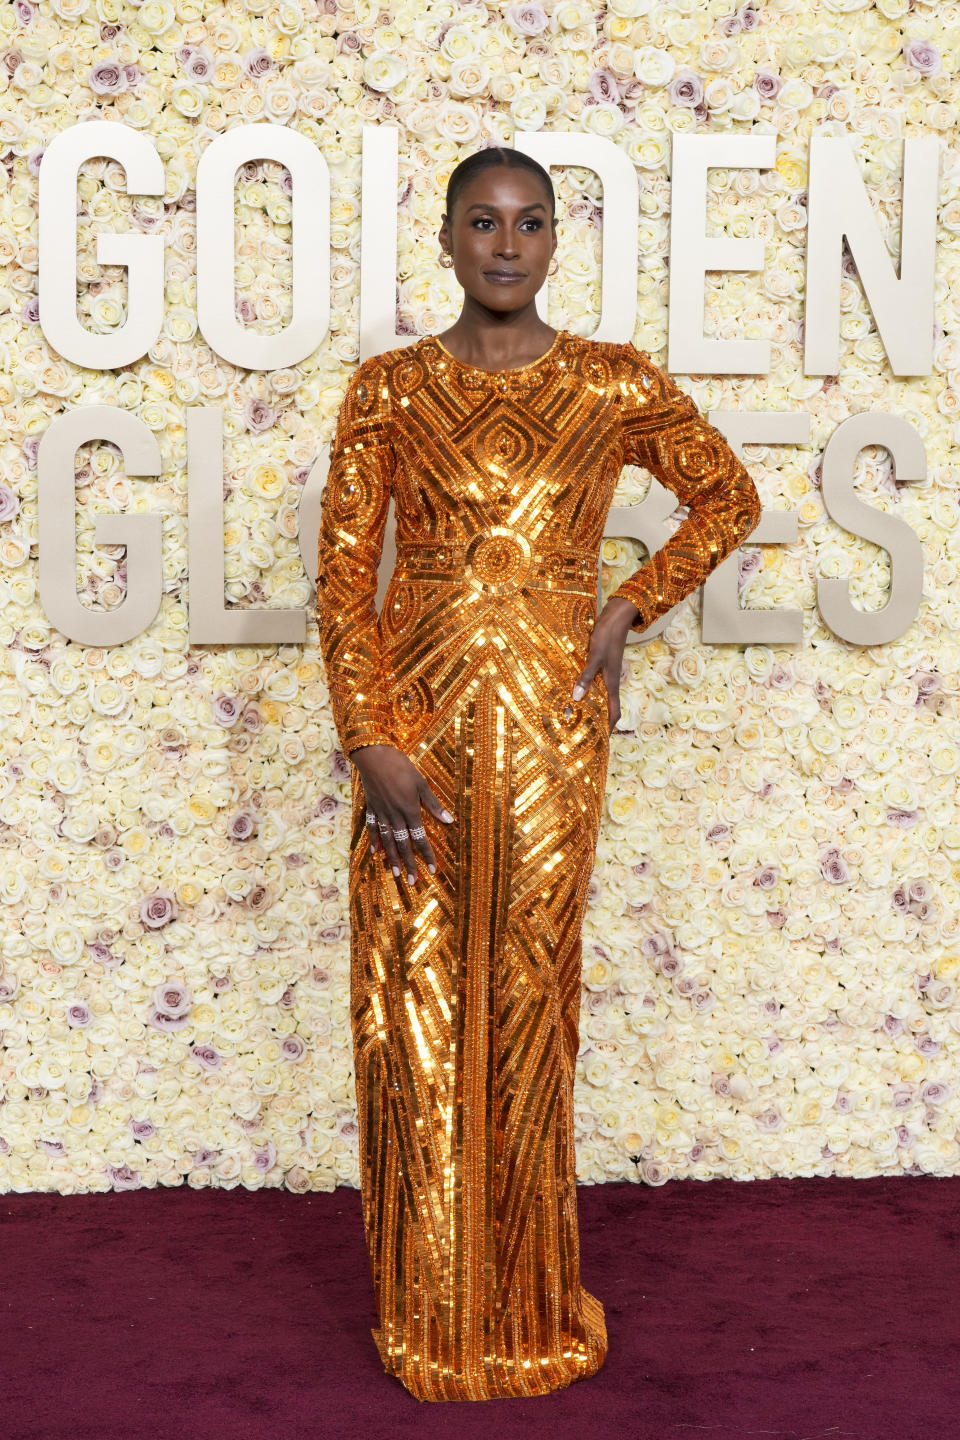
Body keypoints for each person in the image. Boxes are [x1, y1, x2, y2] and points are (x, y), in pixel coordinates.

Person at [314, 144, 763, 1403]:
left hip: (556, 736)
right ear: (446, 239)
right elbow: (345, 579)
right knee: (410, 1005)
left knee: (526, 1005)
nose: (506, 246)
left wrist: (626, 607)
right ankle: (428, 1315)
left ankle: (520, 1309)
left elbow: (727, 495)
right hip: (415, 735)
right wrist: (368, 740)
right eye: (482, 223)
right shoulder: (389, 391)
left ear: (556, 240)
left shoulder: (614, 383)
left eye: (530, 224)